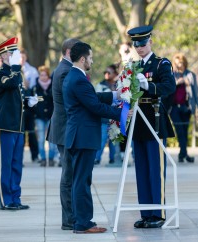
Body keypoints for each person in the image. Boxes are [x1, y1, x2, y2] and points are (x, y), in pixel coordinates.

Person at [62, 42, 123, 233]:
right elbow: (94, 106)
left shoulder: (75, 76)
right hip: (83, 136)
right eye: (90, 57)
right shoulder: (78, 79)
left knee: (82, 179)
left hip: (80, 135)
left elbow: (92, 97)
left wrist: (115, 95)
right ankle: (83, 223)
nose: (92, 60)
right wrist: (121, 114)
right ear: (83, 59)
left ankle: (82, 220)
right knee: (82, 180)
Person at [127, 25, 176, 228]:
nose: (139, 48)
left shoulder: (161, 64)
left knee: (156, 169)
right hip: (139, 122)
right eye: (136, 45)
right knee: (142, 170)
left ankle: (158, 214)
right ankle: (146, 213)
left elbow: (169, 87)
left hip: (154, 120)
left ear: (150, 42)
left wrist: (149, 86)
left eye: (143, 44)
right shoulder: (134, 66)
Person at [0, 37, 38, 210]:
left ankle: (15, 198)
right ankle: (6, 200)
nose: (15, 56)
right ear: (4, 56)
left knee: (16, 164)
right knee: (5, 165)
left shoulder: (15, 73)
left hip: (18, 126)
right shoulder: (0, 73)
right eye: (12, 53)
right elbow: (9, 84)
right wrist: (16, 67)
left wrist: (28, 100)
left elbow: (15, 96)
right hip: (5, 125)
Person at [47, 38, 80, 230]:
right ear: (69, 52)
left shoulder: (65, 69)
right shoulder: (65, 71)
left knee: (71, 173)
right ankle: (69, 219)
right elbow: (73, 103)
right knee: (69, 175)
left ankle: (72, 216)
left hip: (66, 128)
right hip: (65, 129)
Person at [170, 53, 198, 163]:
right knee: (179, 130)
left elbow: (195, 92)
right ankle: (184, 154)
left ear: (184, 63)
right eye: (177, 64)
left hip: (186, 106)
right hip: (174, 108)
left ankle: (183, 154)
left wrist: (196, 108)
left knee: (185, 131)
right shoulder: (172, 75)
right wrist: (177, 83)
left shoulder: (190, 75)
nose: (179, 65)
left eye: (181, 63)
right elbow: (169, 90)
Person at [33, 65, 58, 167]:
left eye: (45, 75)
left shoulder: (53, 87)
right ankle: (43, 158)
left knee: (51, 139)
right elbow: (31, 102)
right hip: (39, 117)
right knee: (41, 139)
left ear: (48, 75)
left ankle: (51, 158)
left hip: (51, 116)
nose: (43, 77)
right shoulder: (35, 88)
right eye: (41, 75)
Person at [94, 64, 118, 165]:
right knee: (102, 138)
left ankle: (114, 159)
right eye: (105, 73)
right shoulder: (100, 85)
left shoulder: (120, 84)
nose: (106, 74)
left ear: (115, 74)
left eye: (109, 72)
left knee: (114, 139)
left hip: (116, 116)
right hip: (104, 117)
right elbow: (97, 99)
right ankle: (96, 158)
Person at [20, 49, 39, 163]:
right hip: (19, 106)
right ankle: (19, 157)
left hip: (29, 105)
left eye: (23, 57)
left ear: (26, 58)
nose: (21, 60)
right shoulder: (13, 70)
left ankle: (35, 155)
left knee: (31, 132)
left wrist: (27, 86)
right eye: (20, 58)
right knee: (20, 134)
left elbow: (34, 86)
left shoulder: (32, 71)